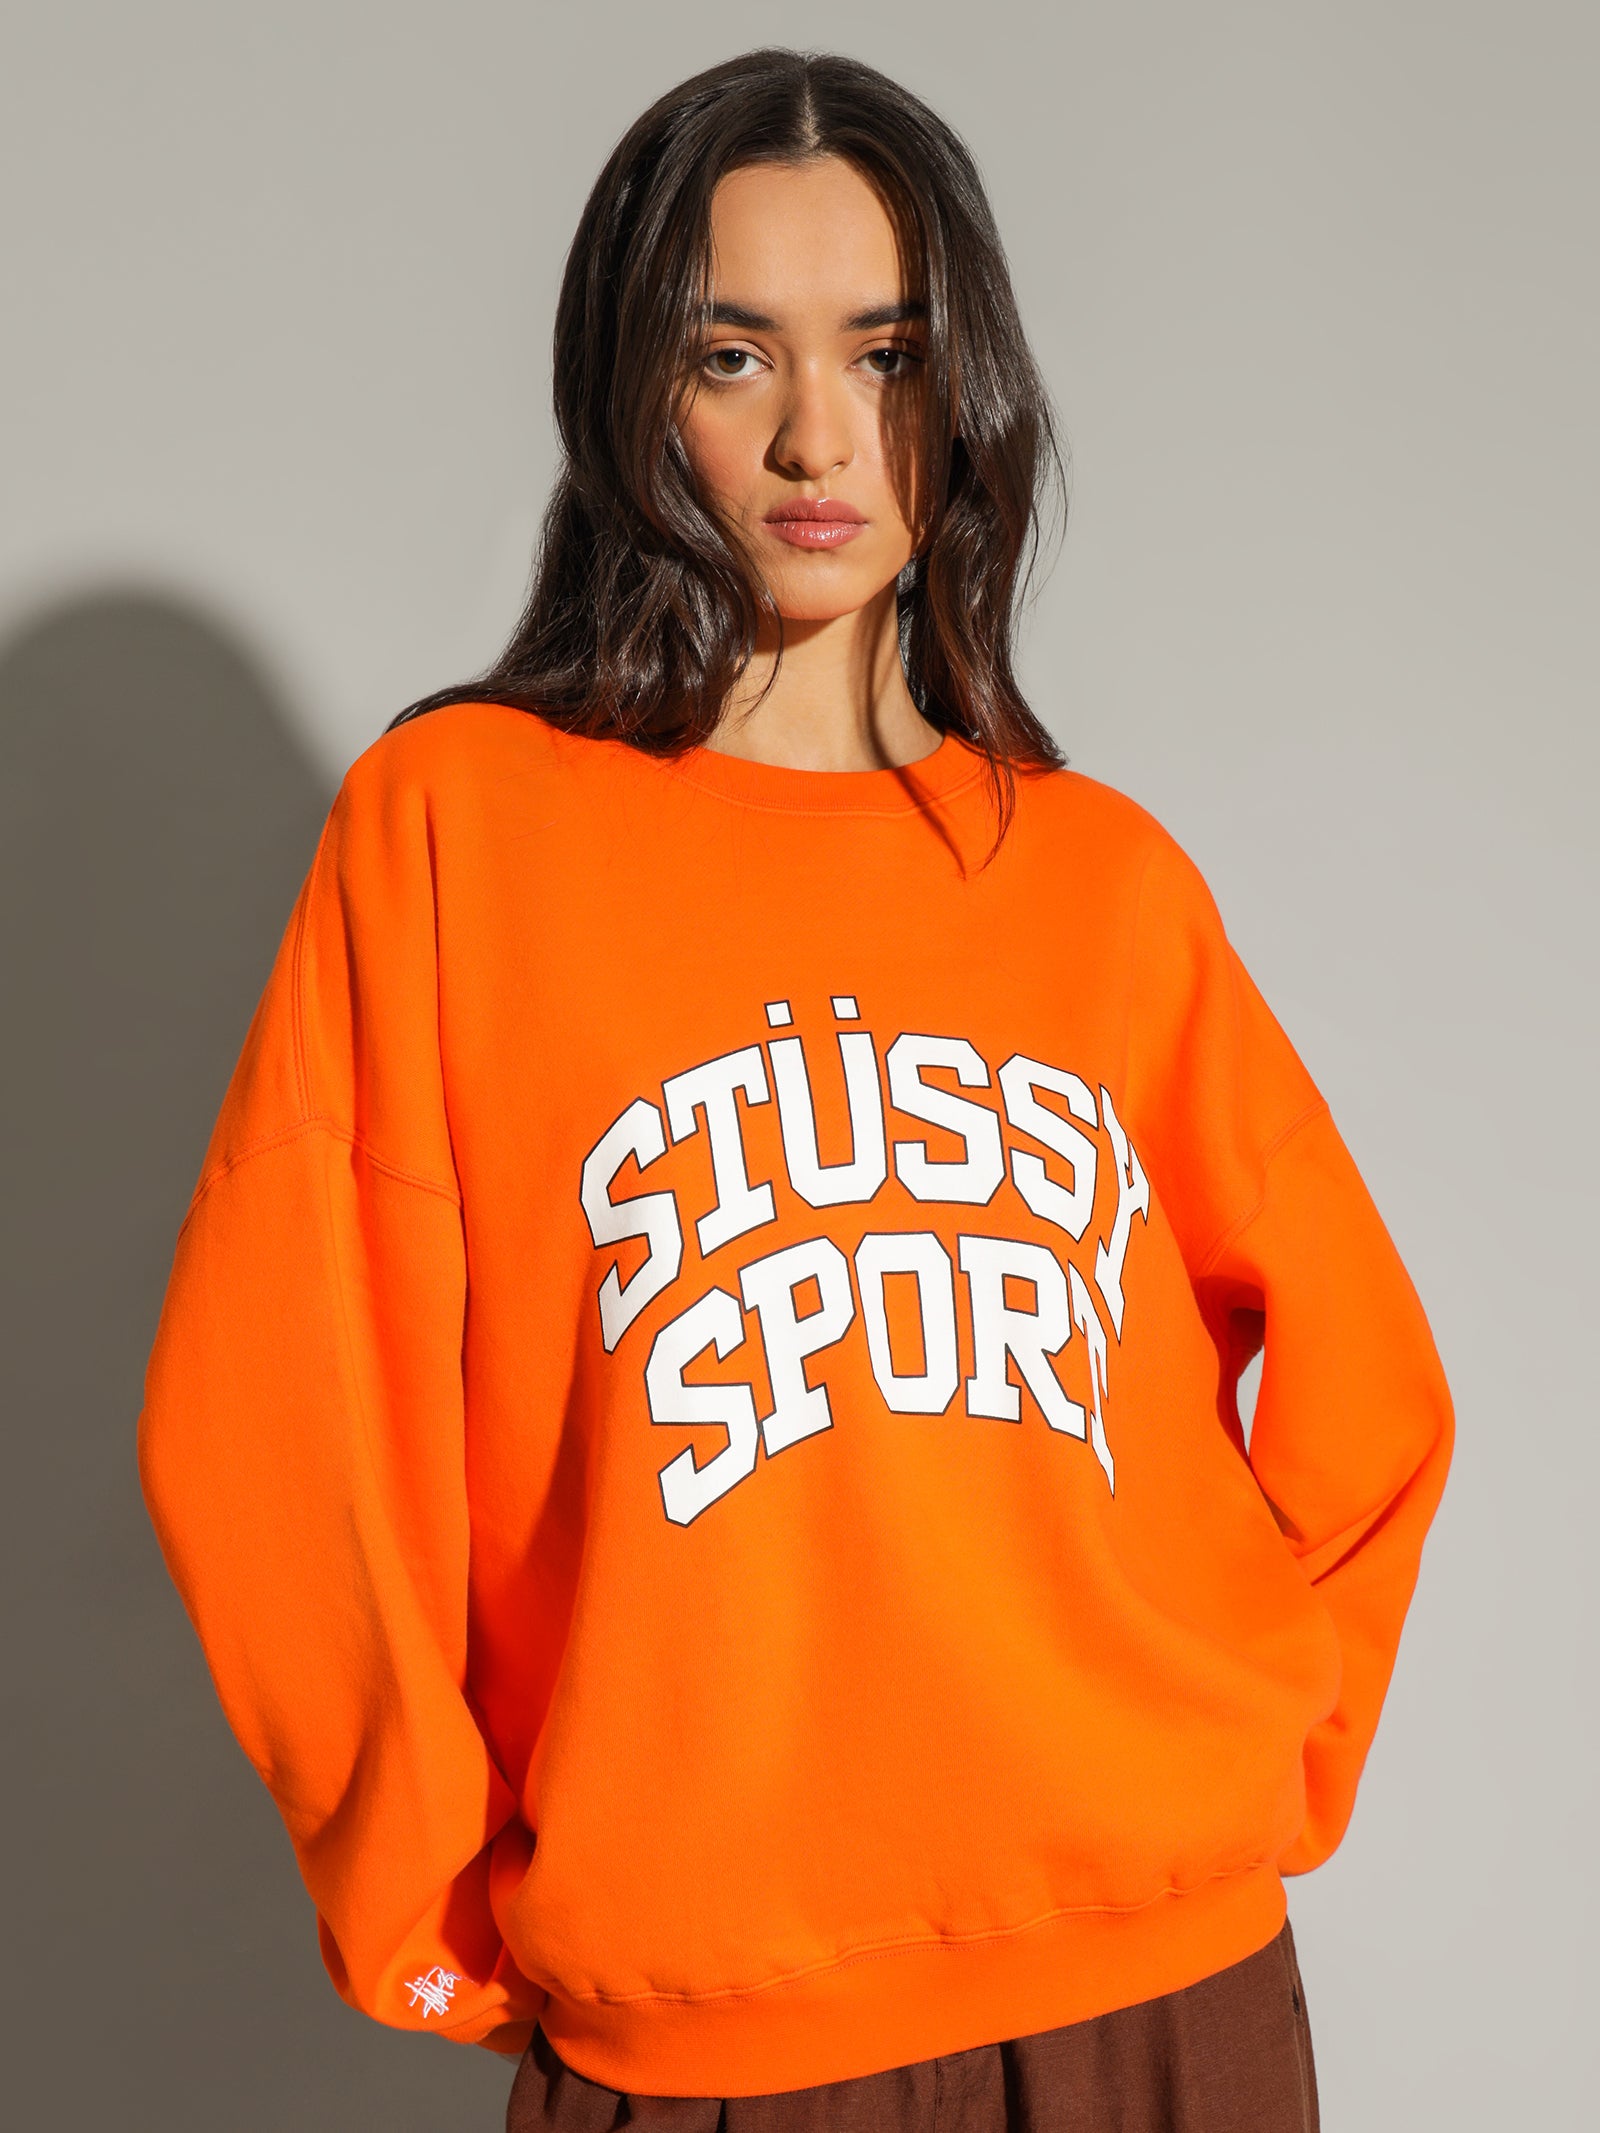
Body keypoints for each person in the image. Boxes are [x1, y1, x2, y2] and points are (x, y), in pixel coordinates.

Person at [137, 46, 1454, 2133]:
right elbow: (270, 1424)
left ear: (968, 389)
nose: (819, 436)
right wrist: (443, 1899)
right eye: (733, 352)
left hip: (1162, 1990)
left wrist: (1252, 1762)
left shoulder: (1093, 880)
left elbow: (1371, 1400)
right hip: (709, 2032)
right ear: (629, 386)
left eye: (887, 354)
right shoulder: (456, 831)